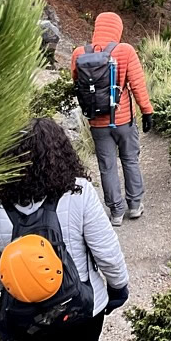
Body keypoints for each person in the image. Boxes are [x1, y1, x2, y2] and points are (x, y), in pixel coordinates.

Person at [0, 118, 130, 341]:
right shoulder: (79, 193)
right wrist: (118, 288)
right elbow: (107, 253)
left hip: (26, 318)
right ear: (60, 152)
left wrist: (1, 312)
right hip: (80, 311)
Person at [71, 12, 154, 225]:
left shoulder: (79, 53)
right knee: (130, 159)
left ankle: (116, 212)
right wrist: (147, 111)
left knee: (106, 166)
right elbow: (137, 85)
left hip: (97, 123)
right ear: (117, 29)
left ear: (97, 28)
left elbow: (77, 84)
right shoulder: (125, 51)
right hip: (123, 120)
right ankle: (135, 205)